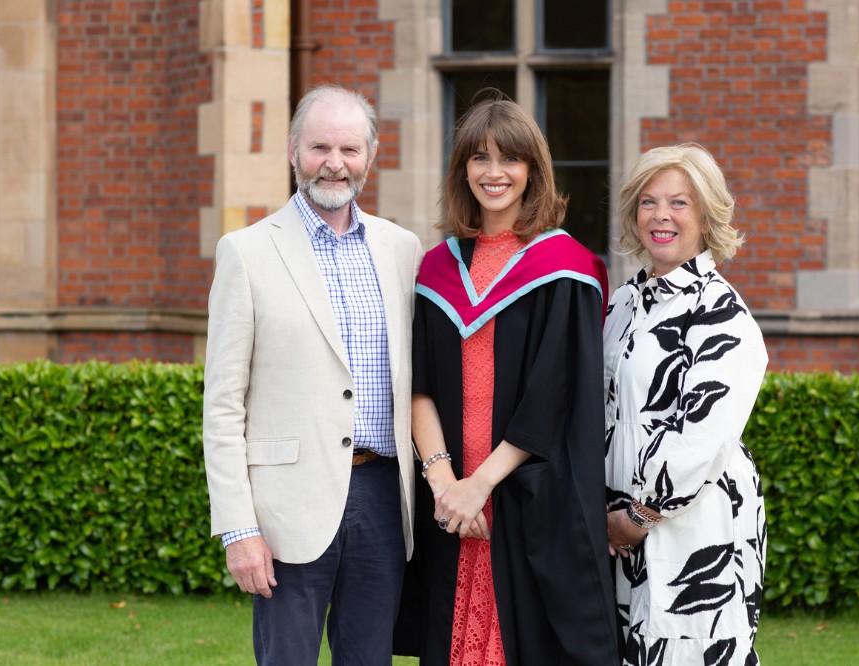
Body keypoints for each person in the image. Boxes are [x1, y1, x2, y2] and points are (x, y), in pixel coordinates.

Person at [202, 84, 424, 665]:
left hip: (383, 496)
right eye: (320, 146)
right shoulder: (246, 252)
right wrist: (237, 529)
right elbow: (223, 405)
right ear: (292, 152)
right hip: (285, 508)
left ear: (370, 158)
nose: (335, 162)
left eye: (350, 149)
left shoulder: (404, 250)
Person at [394, 96, 620, 665]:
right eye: (479, 158)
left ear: (532, 171)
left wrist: (481, 485)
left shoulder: (563, 268)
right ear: (462, 170)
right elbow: (417, 384)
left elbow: (553, 395)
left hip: (520, 496)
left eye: (510, 160)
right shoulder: (436, 267)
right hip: (449, 500)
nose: (494, 173)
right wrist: (446, 484)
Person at [603, 144, 768, 665]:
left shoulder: (720, 314)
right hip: (617, 525)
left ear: (707, 214)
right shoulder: (622, 303)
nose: (661, 216)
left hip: (692, 526)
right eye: (648, 202)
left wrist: (639, 515)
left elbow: (701, 435)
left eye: (679, 203)